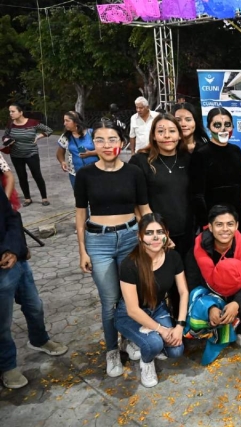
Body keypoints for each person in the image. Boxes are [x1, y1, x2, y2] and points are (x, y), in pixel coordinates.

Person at [74, 120, 151, 377]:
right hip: (99, 242)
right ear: (93, 143)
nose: (106, 145)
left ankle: (128, 338)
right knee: (109, 301)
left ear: (121, 143)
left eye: (112, 140)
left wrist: (155, 236)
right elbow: (80, 213)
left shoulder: (134, 173)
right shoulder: (85, 174)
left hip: (130, 238)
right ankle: (111, 350)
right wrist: (82, 250)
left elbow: (144, 209)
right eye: (100, 140)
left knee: (132, 297)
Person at [0, 190, 68, 389]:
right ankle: (8, 366)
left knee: (34, 306)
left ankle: (39, 339)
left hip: (16, 260)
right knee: (3, 324)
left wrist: (14, 249)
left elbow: (12, 218)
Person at [115, 213, 188, 388]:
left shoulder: (173, 257)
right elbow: (132, 309)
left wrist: (179, 326)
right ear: (140, 236)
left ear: (166, 234)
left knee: (177, 350)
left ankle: (139, 340)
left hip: (158, 308)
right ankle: (146, 362)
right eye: (149, 233)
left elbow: (183, 292)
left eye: (159, 232)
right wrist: (162, 330)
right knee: (154, 344)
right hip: (130, 314)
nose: (155, 237)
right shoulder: (129, 264)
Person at [184, 204, 241, 358]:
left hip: (234, 295)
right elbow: (193, 284)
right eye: (219, 224)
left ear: (237, 226)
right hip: (207, 295)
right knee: (188, 343)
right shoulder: (197, 250)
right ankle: (210, 331)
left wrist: (236, 303)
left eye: (230, 224)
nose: (225, 229)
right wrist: (210, 307)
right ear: (211, 227)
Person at [129, 114, 192, 258]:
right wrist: (153, 233)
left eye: (172, 131)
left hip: (187, 235)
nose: (167, 136)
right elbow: (137, 204)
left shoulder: (188, 159)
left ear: (180, 135)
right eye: (161, 131)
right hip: (155, 237)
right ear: (154, 136)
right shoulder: (140, 161)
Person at [191, 107, 241, 228]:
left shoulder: (236, 151)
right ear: (209, 127)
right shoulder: (200, 154)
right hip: (213, 220)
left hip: (235, 217)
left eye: (227, 124)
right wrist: (205, 223)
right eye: (217, 125)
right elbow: (197, 194)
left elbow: (240, 186)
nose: (223, 129)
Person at [3, 102, 52, 206]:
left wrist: (39, 136)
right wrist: (7, 140)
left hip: (31, 153)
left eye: (13, 111)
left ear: (20, 112)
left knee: (37, 175)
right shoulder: (10, 124)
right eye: (10, 112)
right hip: (16, 155)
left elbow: (49, 130)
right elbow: (5, 136)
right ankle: (27, 198)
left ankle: (44, 198)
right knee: (22, 176)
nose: (11, 114)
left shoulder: (33, 123)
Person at [56, 111, 99, 189]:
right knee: (80, 197)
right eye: (64, 121)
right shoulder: (65, 136)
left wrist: (91, 153)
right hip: (75, 173)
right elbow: (59, 153)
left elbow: (104, 150)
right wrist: (62, 162)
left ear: (76, 122)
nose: (64, 123)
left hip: (95, 172)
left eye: (67, 121)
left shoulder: (92, 133)